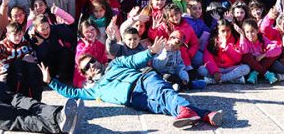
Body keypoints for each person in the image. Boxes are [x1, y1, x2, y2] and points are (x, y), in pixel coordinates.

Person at [45, 37, 225, 128]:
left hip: (143, 79)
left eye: (92, 61)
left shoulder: (114, 64)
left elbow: (133, 61)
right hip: (133, 99)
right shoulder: (94, 90)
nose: (92, 65)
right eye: (87, 67)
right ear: (86, 75)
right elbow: (73, 93)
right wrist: (51, 81)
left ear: (98, 61)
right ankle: (206, 114)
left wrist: (151, 52)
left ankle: (186, 111)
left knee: (163, 93)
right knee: (160, 105)